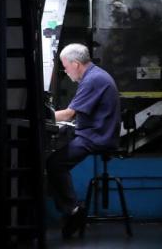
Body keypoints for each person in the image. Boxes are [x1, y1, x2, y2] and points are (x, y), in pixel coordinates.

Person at [46, 43, 121, 238]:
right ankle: (69, 211)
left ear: (76, 64)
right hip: (93, 132)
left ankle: (73, 211)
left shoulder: (92, 80)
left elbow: (69, 114)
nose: (66, 71)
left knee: (54, 163)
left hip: (96, 137)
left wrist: (41, 116)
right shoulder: (95, 75)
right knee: (57, 149)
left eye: (66, 66)